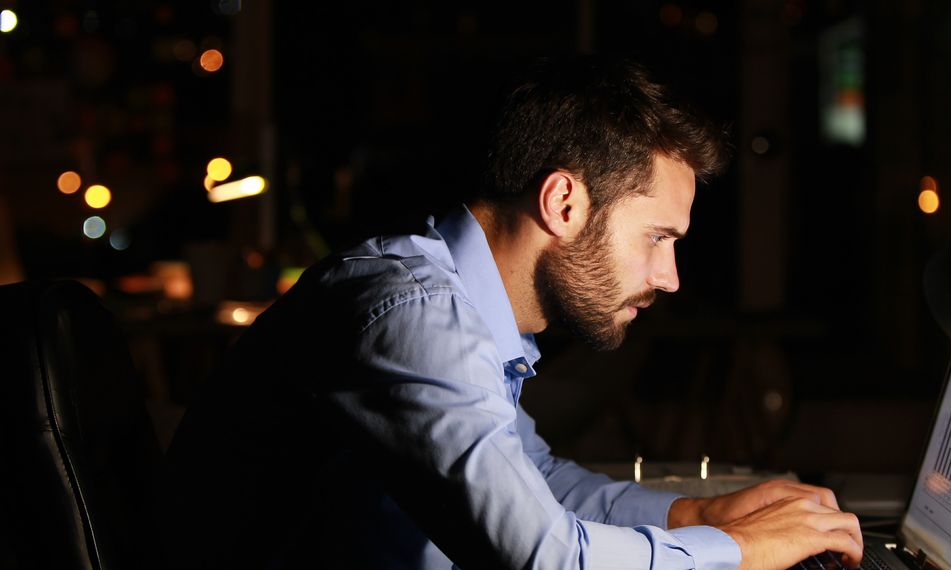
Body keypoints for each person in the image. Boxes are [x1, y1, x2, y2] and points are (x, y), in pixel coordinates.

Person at [159, 57, 863, 569]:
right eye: (657, 238)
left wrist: (697, 515)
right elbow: (541, 559)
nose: (670, 278)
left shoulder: (458, 305)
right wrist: (738, 550)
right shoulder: (412, 315)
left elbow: (539, 481)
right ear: (563, 203)